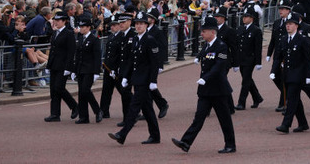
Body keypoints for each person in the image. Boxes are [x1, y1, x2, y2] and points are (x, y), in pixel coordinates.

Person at [172, 17, 237, 154]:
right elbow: (205, 55)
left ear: (213, 32)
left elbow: (219, 66)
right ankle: (186, 142)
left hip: (218, 89)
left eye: (204, 31)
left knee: (224, 119)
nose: (201, 33)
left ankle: (230, 144)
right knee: (199, 117)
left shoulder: (221, 46)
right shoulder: (207, 45)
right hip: (206, 90)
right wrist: (198, 57)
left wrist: (205, 78)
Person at [109, 11, 161, 145]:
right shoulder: (136, 39)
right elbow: (132, 60)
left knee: (134, 107)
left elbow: (154, 63)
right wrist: (126, 76)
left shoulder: (150, 40)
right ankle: (155, 136)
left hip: (145, 80)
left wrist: (153, 81)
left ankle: (122, 134)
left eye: (141, 24)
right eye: (137, 24)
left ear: (146, 25)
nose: (138, 26)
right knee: (148, 109)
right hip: (137, 78)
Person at [271, 13, 310, 133]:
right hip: (287, 74)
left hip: (298, 74)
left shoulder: (302, 40)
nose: (288, 26)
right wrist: (273, 71)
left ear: (296, 25)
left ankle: (286, 124)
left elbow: (309, 58)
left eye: (290, 24)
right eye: (287, 24)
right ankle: (303, 123)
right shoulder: (284, 39)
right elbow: (278, 57)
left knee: (291, 98)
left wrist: (309, 76)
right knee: (296, 100)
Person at [44, 11, 78, 122]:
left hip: (63, 66)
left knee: (59, 88)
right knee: (53, 90)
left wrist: (69, 68)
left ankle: (74, 106)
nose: (56, 22)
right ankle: (54, 114)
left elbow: (71, 52)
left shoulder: (69, 33)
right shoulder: (55, 33)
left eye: (58, 20)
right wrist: (48, 65)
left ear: (64, 21)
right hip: (54, 64)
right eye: (55, 20)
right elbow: (52, 51)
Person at [72, 15, 102, 123]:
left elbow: (97, 57)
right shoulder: (80, 39)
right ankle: (84, 116)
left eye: (83, 26)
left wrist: (96, 72)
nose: (81, 28)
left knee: (85, 90)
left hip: (90, 70)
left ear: (89, 27)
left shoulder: (94, 40)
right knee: (82, 92)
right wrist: (74, 70)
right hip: (80, 69)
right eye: (80, 26)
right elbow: (77, 55)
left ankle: (97, 110)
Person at [233, 8, 264, 110]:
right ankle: (257, 97)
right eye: (243, 16)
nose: (244, 18)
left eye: (246, 17)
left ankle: (241, 102)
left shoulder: (256, 30)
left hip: (250, 59)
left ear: (252, 18)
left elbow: (258, 48)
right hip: (241, 58)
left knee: (245, 81)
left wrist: (258, 62)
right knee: (248, 79)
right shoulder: (240, 29)